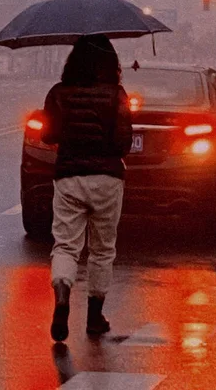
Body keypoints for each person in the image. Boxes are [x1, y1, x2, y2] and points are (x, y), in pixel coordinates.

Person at [41, 34, 133, 342]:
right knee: (102, 249)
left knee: (66, 245)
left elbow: (48, 136)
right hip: (107, 178)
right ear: (110, 63)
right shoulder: (116, 95)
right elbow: (123, 142)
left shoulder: (58, 93)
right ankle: (94, 317)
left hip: (69, 175)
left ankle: (63, 296)